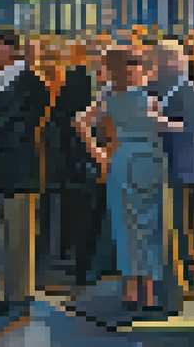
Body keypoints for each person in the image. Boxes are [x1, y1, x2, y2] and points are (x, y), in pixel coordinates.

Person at [76, 47, 185, 314]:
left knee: (125, 226)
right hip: (147, 158)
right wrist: (179, 125)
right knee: (150, 227)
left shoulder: (107, 95)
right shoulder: (145, 97)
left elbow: (80, 122)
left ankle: (130, 291)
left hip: (120, 158)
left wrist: (99, 154)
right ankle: (148, 294)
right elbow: (158, 125)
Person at [0, 29, 50, 319]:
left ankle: (16, 294)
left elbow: (24, 127)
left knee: (17, 234)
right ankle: (0, 292)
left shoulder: (34, 82)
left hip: (18, 168)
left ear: (9, 48)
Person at [41, 49, 104, 290]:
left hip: (82, 162)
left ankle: (83, 266)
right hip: (82, 163)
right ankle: (82, 267)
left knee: (86, 218)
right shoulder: (80, 84)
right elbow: (72, 124)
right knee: (84, 217)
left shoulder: (80, 83)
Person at [152, 39, 194, 305]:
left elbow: (191, 127)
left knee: (178, 224)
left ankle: (183, 277)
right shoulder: (154, 86)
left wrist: (161, 122)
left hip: (178, 163)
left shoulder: (188, 90)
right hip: (158, 162)